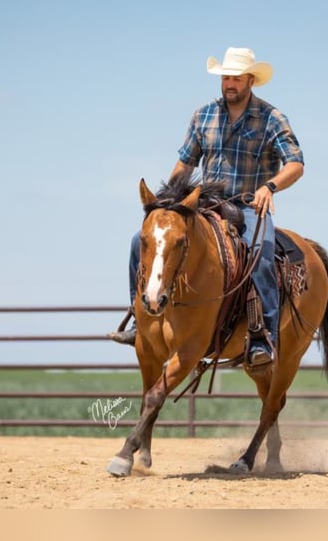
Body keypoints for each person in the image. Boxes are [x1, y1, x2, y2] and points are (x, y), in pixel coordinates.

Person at [108, 47, 305, 367]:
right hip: (204, 206)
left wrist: (270, 187)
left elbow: (295, 164)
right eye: (226, 77)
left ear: (250, 80)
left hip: (249, 206)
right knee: (139, 242)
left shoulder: (272, 118)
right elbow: (185, 163)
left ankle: (262, 336)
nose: (229, 84)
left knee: (262, 253)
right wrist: (166, 203)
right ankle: (138, 319)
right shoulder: (204, 116)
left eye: (236, 78)